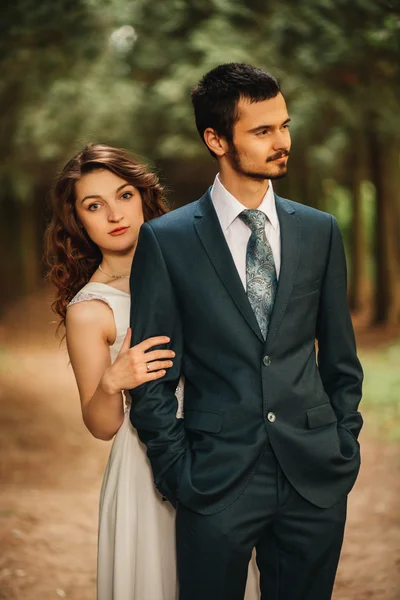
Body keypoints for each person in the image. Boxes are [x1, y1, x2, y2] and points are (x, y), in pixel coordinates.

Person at [129, 63, 364, 600]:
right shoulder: (166, 242)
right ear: (216, 139)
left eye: (283, 125)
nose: (282, 142)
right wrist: (178, 472)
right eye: (262, 131)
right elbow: (153, 374)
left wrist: (342, 443)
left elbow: (341, 359)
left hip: (313, 477)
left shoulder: (320, 231)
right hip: (215, 481)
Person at [45, 143, 261, 599]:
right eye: (93, 205)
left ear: (144, 196)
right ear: (78, 221)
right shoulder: (91, 309)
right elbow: (102, 426)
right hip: (146, 468)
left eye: (124, 195)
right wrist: (111, 382)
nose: (113, 214)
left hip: (224, 448)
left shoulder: (201, 261)